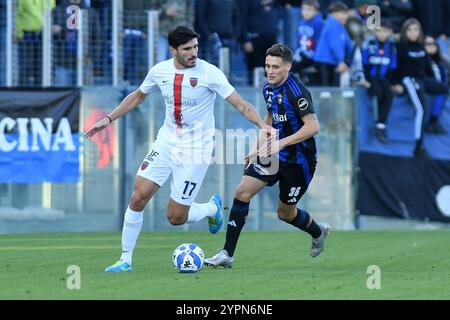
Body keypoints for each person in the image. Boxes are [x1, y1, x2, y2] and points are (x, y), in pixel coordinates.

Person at [85, 26, 273, 272]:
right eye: (187, 49)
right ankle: (125, 260)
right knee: (138, 197)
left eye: (195, 47)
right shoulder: (159, 71)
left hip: (196, 150)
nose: (193, 52)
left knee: (175, 217)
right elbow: (138, 96)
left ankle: (211, 208)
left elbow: (241, 104)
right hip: (166, 142)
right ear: (174, 50)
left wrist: (262, 125)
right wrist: (109, 119)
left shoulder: (210, 73)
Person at [205, 44, 330, 268]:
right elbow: (270, 119)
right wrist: (256, 149)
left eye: (275, 67)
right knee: (242, 191)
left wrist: (279, 144)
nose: (270, 71)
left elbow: (313, 127)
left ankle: (317, 231)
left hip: (299, 163)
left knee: (285, 213)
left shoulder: (297, 91)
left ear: (288, 67)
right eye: (267, 66)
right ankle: (227, 254)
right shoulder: (268, 89)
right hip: (274, 155)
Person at [392, 19, 448, 157]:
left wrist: (432, 81)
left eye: (415, 30)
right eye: (410, 30)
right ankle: (419, 145)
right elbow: (394, 68)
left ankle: (433, 120)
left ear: (419, 32)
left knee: (443, 88)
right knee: (421, 108)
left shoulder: (422, 47)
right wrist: (396, 83)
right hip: (409, 79)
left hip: (422, 79)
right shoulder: (400, 46)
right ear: (405, 31)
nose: (413, 33)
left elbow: (427, 68)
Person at [361, 19, 397, 143]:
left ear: (390, 33)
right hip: (371, 77)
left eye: (385, 31)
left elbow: (392, 67)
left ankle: (381, 124)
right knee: (378, 92)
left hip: (384, 77)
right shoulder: (369, 43)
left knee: (389, 94)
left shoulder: (392, 46)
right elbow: (364, 64)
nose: (382, 33)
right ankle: (376, 121)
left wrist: (391, 83)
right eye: (379, 31)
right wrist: (365, 80)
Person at [314, 1, 352, 87]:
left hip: (331, 62)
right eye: (342, 13)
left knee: (331, 91)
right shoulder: (332, 24)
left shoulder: (340, 26)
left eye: (346, 13)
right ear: (333, 14)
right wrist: (340, 61)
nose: (345, 16)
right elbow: (335, 45)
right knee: (327, 91)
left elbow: (348, 44)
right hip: (324, 62)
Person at [423, 35, 449, 134]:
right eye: (428, 44)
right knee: (443, 89)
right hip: (429, 86)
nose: (432, 46)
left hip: (442, 86)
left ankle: (433, 122)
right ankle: (433, 121)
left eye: (434, 43)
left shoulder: (443, 60)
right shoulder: (422, 59)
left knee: (443, 89)